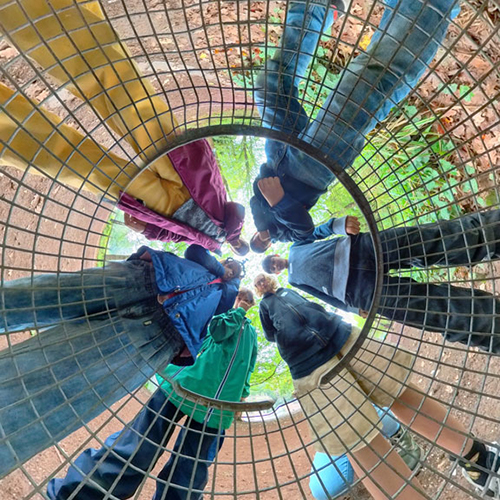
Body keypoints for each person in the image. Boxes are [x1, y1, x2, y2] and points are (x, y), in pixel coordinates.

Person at [0, 0, 249, 255]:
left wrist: (149, 230)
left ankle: (5, 127)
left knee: (84, 168)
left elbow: (180, 235)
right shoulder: (232, 229)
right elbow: (236, 211)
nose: (237, 246)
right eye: (243, 245)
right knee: (128, 96)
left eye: (237, 248)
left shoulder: (212, 246)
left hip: (163, 208)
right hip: (190, 171)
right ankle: (39, 10)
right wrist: (233, 233)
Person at [0, 244, 242, 479]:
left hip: (160, 335)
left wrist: (229, 279)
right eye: (229, 264)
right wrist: (220, 268)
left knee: (56, 386)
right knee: (42, 296)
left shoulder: (226, 293)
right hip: (143, 279)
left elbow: (222, 310)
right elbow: (195, 251)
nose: (229, 270)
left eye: (234, 271)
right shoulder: (207, 264)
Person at [254, 273, 500, 499]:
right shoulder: (265, 306)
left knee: (396, 388)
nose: (262, 284)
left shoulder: (287, 290)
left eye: (263, 279)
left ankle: (480, 462)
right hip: (307, 367)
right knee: (356, 439)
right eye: (258, 284)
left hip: (340, 333)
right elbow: (270, 335)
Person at [249, 0, 460, 250]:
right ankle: (429, 7)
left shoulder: (258, 218)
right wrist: (279, 204)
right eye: (263, 244)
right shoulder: (284, 236)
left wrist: (265, 215)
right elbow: (305, 231)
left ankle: (320, 8)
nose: (261, 239)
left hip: (276, 153)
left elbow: (254, 197)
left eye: (255, 239)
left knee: (269, 85)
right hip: (311, 169)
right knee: (366, 84)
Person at [46, 288, 258, 500]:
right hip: (182, 385)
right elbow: (218, 332)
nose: (242, 302)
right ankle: (79, 493)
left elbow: (248, 367)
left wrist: (242, 396)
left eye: (246, 301)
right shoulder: (222, 315)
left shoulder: (251, 334)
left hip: (217, 407)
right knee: (138, 445)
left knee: (190, 470)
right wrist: (238, 311)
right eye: (240, 298)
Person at [262, 209, 500, 352]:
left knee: (433, 240)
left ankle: (494, 234)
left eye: (273, 262)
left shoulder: (295, 247)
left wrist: (337, 225)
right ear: (277, 273)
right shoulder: (293, 280)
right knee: (432, 310)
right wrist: (352, 309)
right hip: (360, 291)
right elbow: (322, 298)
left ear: (276, 255)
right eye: (272, 268)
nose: (275, 266)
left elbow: (315, 233)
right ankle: (493, 327)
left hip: (363, 248)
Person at [309, 407, 422, 500]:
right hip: (330, 426)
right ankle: (360, 465)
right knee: (323, 489)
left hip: (356, 403)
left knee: (355, 405)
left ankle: (395, 433)